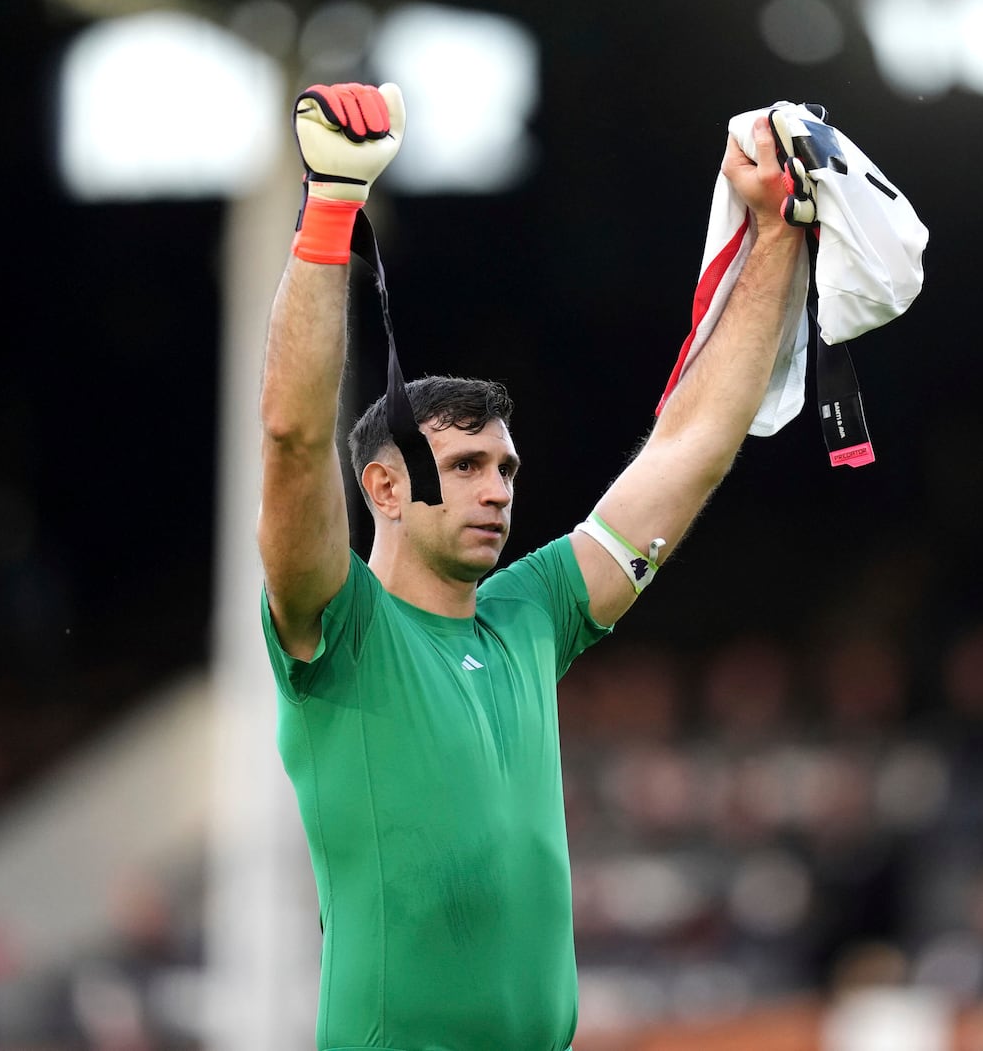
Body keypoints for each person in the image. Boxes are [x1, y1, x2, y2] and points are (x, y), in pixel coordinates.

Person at [259, 82, 811, 1051]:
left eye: (505, 467)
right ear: (384, 489)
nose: (497, 488)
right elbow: (293, 438)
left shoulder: (529, 610)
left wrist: (774, 237)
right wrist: (330, 204)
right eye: (465, 465)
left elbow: (690, 450)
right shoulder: (337, 629)